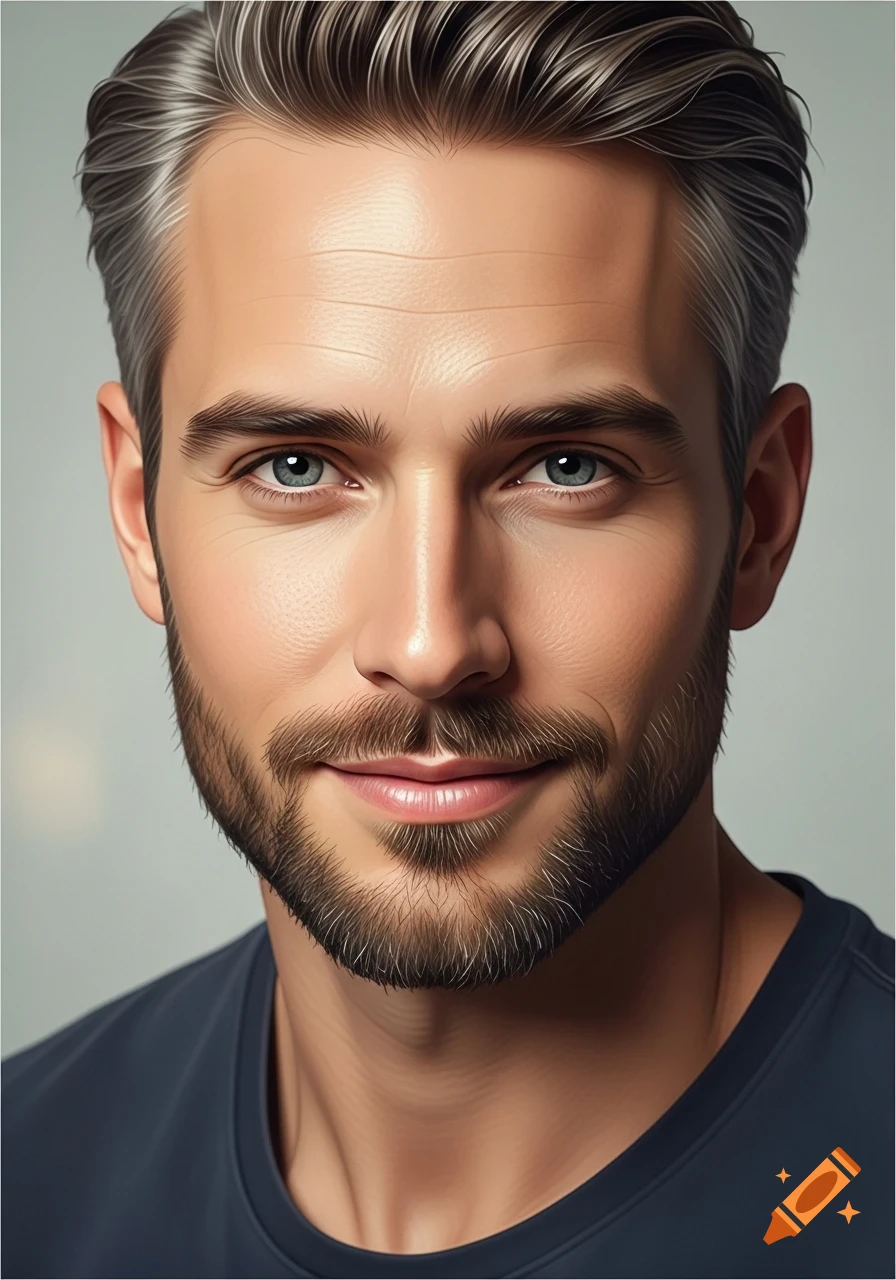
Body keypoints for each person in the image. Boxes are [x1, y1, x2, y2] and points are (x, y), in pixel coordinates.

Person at [2, 2, 892, 1277]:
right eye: (297, 465)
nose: (430, 642)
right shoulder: (23, 1182)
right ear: (139, 512)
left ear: (756, 515)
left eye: (566, 465)